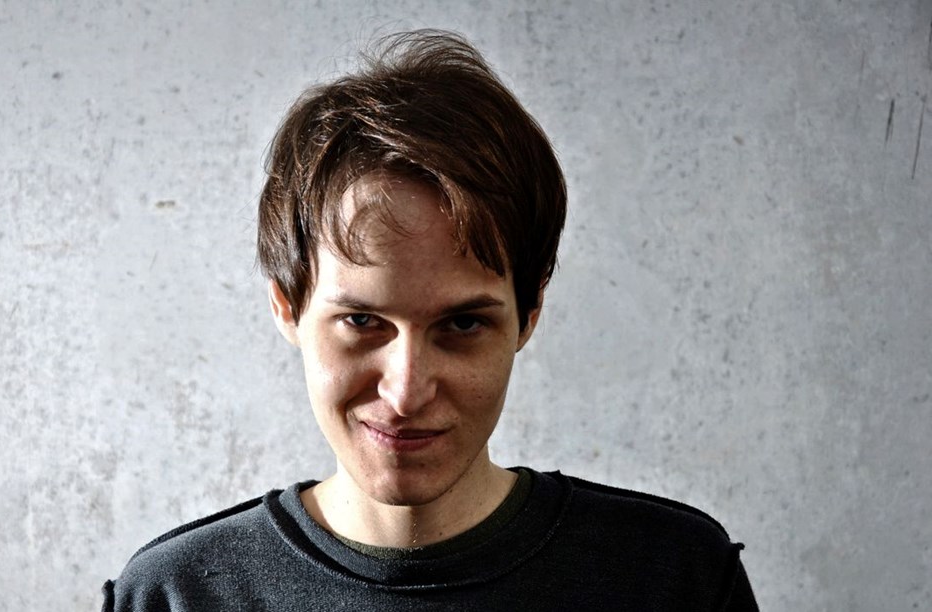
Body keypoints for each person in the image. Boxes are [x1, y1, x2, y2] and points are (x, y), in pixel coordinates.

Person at [102, 29, 758, 611]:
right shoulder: (177, 595)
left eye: (463, 325)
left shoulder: (672, 576)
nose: (407, 392)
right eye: (362, 321)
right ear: (287, 308)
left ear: (529, 314)